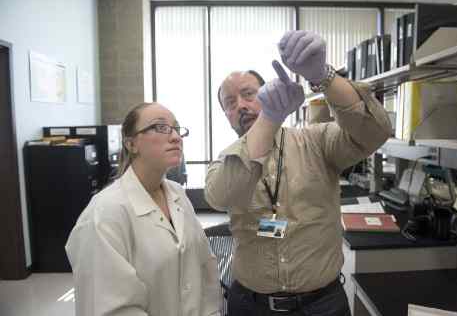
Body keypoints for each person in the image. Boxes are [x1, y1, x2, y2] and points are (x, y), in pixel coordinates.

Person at [205, 30, 392, 316]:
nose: (240, 105)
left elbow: (374, 132)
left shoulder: (315, 142)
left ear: (268, 91)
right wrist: (269, 117)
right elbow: (221, 195)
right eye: (230, 103)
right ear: (226, 115)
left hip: (322, 306)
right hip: (252, 306)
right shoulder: (225, 161)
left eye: (248, 94)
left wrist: (323, 76)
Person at [66, 102, 222, 316]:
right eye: (160, 127)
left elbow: (205, 269)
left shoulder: (178, 195)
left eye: (176, 128)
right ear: (131, 144)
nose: (176, 137)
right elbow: (113, 308)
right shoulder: (104, 214)